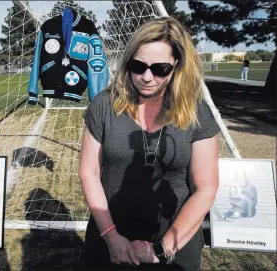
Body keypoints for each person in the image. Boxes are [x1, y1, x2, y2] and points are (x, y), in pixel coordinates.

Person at [79, 16, 220, 270]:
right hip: (109, 237)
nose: (146, 77)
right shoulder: (103, 105)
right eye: (138, 66)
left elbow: (206, 187)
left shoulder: (197, 113)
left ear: (176, 65)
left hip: (175, 243)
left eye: (159, 69)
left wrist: (163, 248)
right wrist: (111, 237)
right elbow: (88, 172)